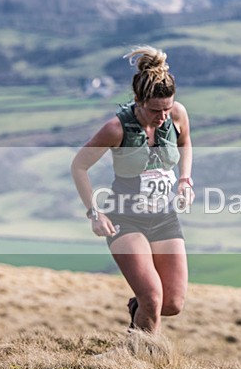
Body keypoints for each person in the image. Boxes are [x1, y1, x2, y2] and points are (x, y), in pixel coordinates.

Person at [71, 46, 194, 334]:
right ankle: (143, 365)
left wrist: (185, 179)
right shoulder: (116, 129)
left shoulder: (177, 115)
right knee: (152, 297)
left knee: (172, 303)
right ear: (138, 101)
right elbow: (79, 166)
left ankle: (138, 312)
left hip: (164, 218)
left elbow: (185, 143)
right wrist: (94, 213)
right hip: (125, 219)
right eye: (155, 110)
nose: (162, 116)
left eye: (167, 108)